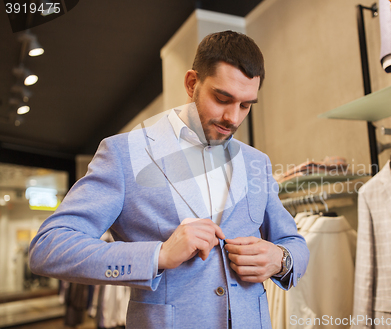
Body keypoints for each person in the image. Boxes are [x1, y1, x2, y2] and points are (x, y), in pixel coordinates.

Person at [29, 31, 309, 329]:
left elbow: (293, 241)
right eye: (222, 98)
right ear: (192, 83)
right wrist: (158, 255)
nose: (233, 118)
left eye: (245, 105)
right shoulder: (124, 154)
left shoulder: (257, 162)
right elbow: (49, 247)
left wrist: (281, 259)